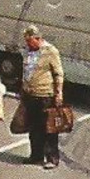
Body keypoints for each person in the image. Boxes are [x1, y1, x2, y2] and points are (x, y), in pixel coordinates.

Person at [19, 25, 65, 169]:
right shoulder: (27, 51)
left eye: (30, 41)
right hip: (30, 94)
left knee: (49, 128)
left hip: (45, 95)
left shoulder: (50, 51)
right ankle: (36, 155)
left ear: (38, 38)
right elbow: (26, 71)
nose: (27, 44)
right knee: (33, 128)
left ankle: (52, 158)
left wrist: (59, 93)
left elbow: (58, 73)